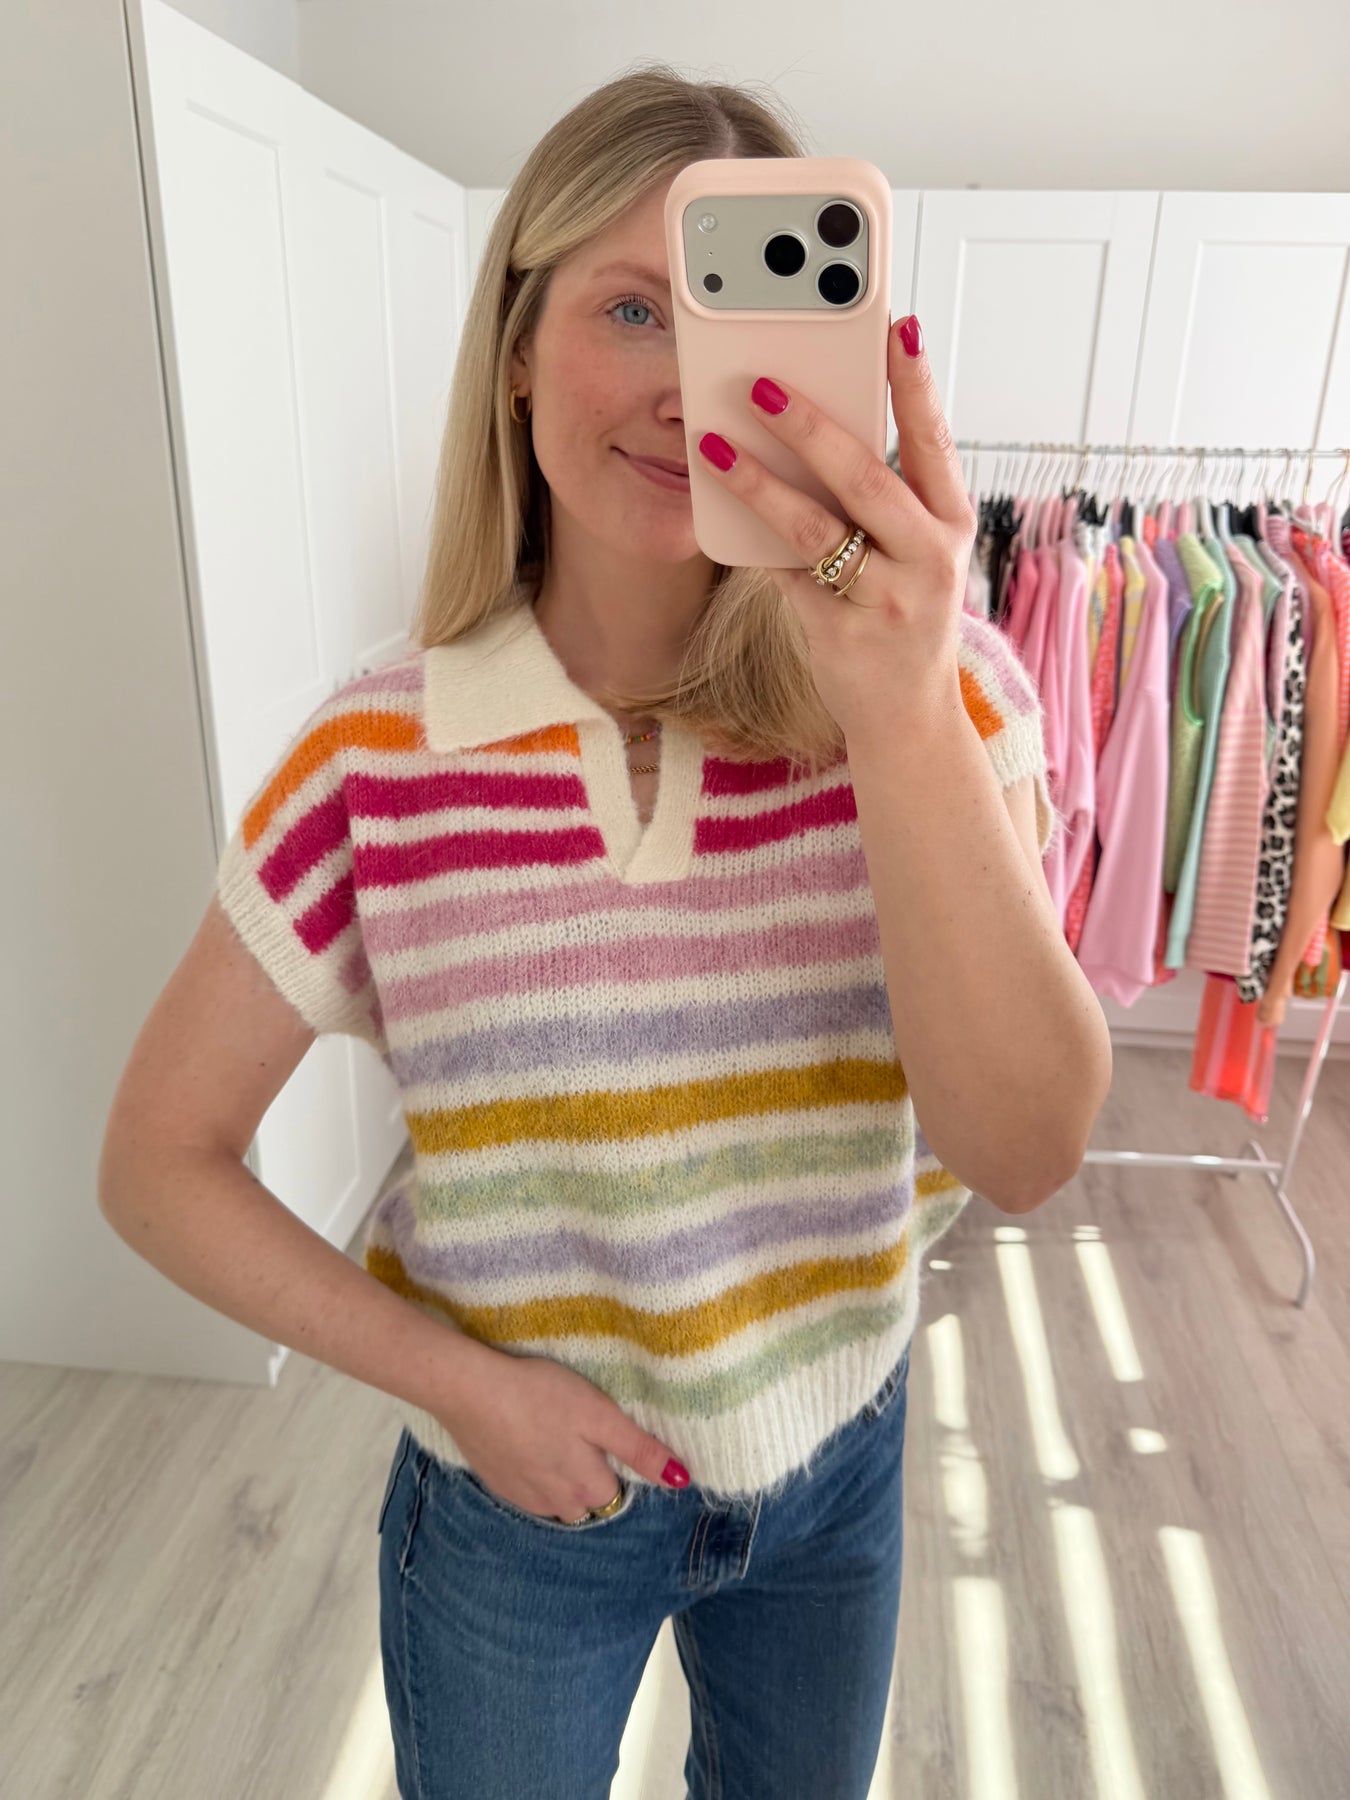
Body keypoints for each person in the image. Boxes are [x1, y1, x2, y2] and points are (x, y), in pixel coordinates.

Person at [99, 62, 1111, 1800]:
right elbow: (154, 1163)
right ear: (514, 347)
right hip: (521, 1519)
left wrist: (895, 710)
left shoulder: (940, 702)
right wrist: (458, 1387)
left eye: (737, 318)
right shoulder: (378, 758)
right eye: (630, 308)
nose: (679, 386)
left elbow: (1024, 1150)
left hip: (839, 1472)